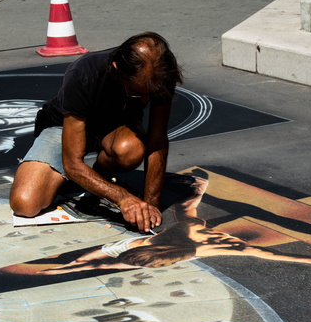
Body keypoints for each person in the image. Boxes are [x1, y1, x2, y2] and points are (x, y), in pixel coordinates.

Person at [41, 175, 311, 279]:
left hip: (143, 246)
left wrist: (199, 186)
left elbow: (107, 257)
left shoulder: (193, 235)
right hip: (152, 246)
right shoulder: (203, 244)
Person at [9, 32, 183, 233]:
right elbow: (72, 164)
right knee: (25, 204)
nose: (145, 101)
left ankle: (101, 174)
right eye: (137, 93)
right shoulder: (84, 73)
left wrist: (150, 205)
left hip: (114, 129)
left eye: (150, 95)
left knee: (131, 150)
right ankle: (84, 181)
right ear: (117, 71)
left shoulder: (160, 74)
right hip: (64, 128)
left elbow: (157, 139)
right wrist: (123, 197)